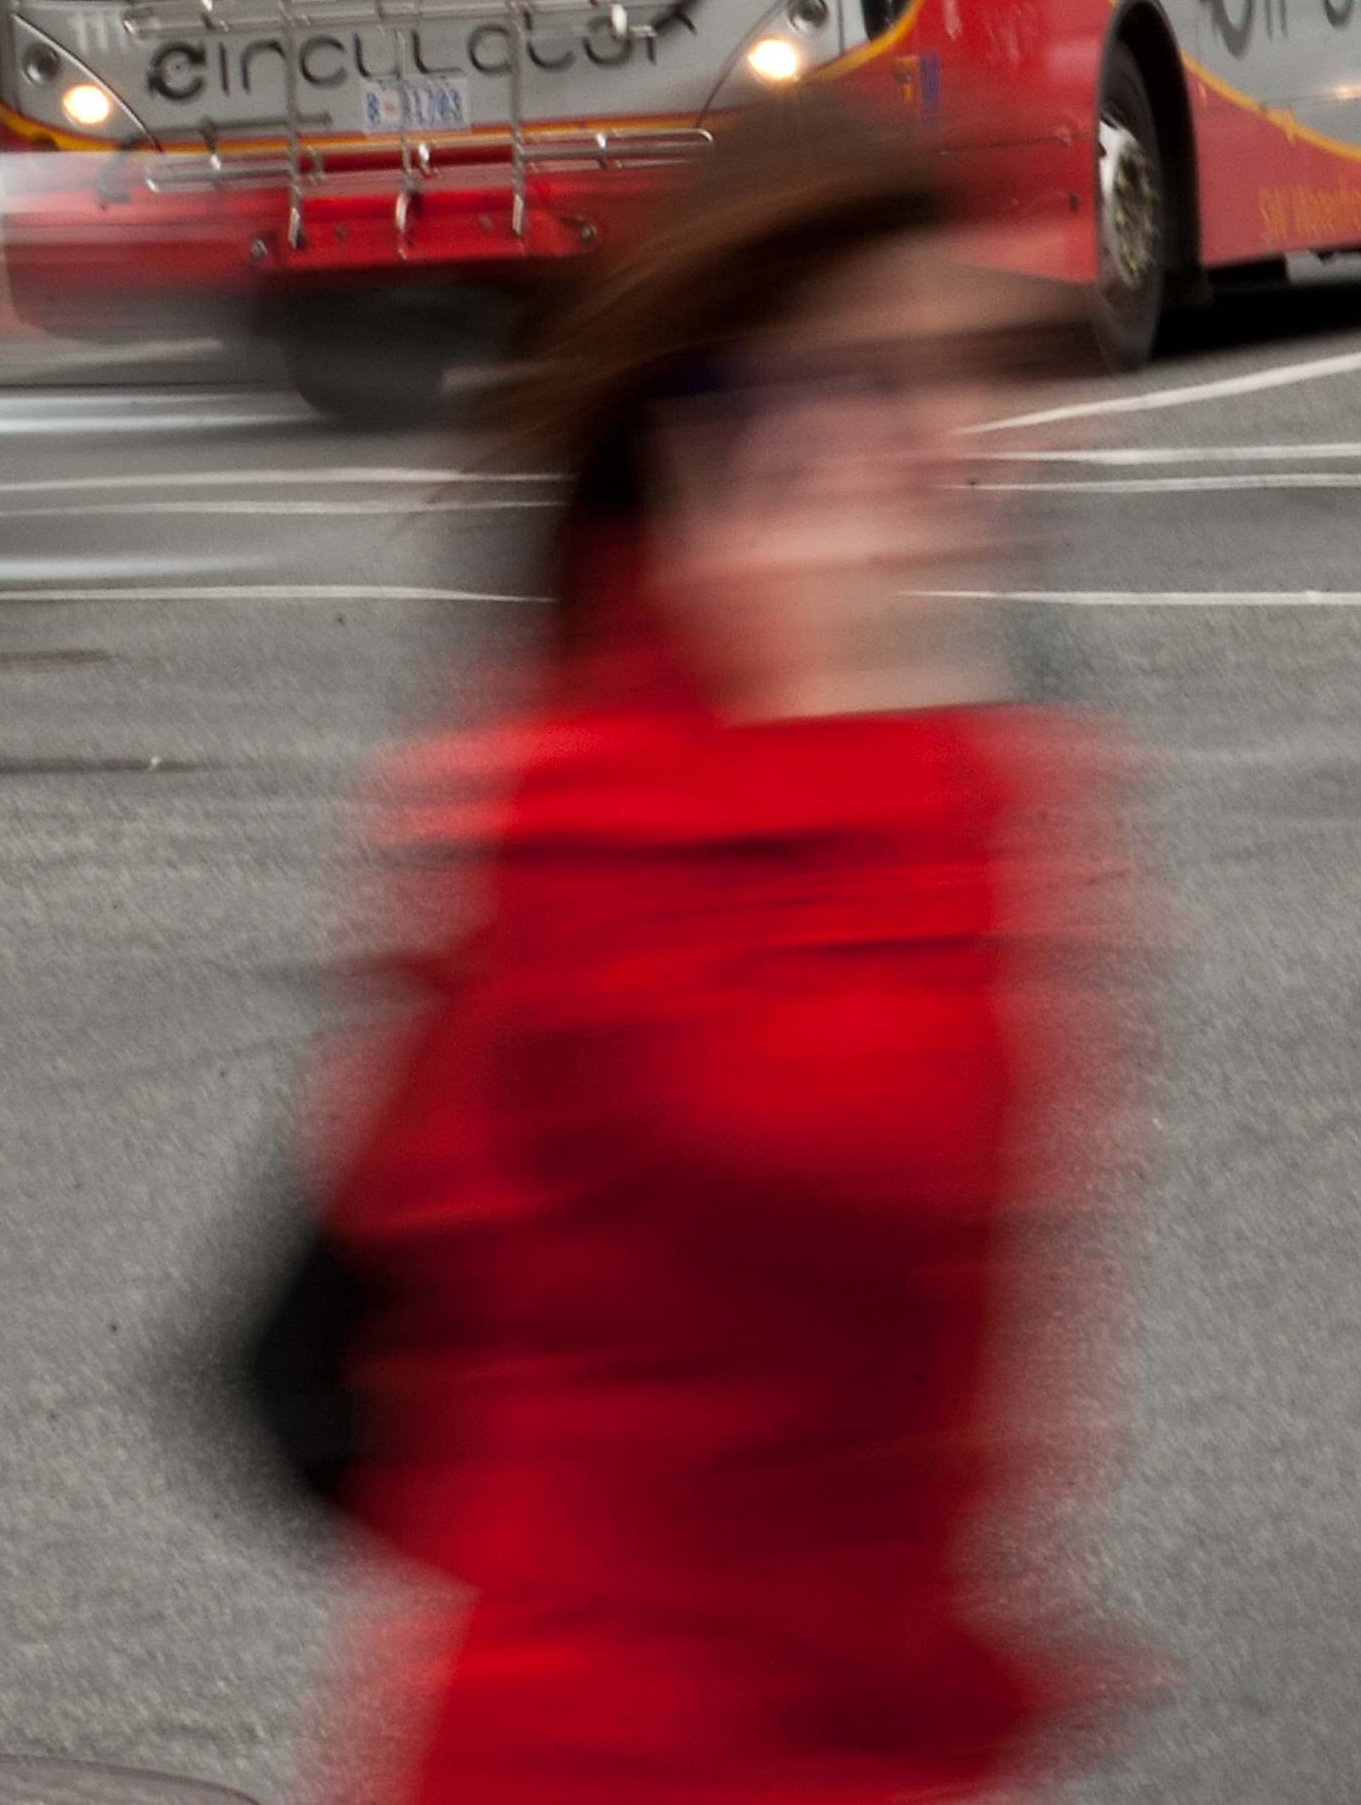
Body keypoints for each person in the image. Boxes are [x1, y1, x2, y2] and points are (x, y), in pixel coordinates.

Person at [301, 92, 1129, 1805]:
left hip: (839, 1723)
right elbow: (890, 1147)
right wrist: (852, 728)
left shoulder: (908, 778)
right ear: (725, 440)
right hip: (629, 1742)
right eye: (890, 383)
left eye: (971, 374)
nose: (970, 436)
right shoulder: (602, 809)